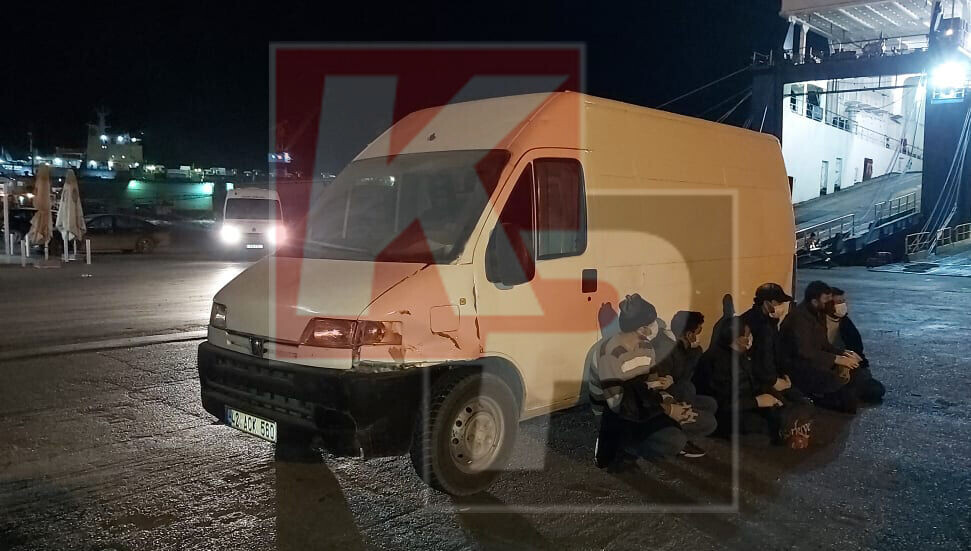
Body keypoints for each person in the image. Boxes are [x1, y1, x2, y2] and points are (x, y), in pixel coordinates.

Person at [588, 294, 691, 468]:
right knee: (675, 439)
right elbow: (618, 404)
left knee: (690, 398)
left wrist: (667, 398)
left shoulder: (645, 346)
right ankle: (626, 446)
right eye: (652, 323)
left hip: (639, 402)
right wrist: (666, 410)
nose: (656, 326)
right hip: (615, 413)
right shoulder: (610, 353)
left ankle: (662, 431)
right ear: (642, 329)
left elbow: (650, 383)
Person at [705, 317, 813, 448]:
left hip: (748, 400)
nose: (750, 337)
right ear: (738, 340)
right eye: (747, 335)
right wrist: (757, 401)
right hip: (731, 411)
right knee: (761, 426)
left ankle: (788, 424)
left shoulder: (741, 354)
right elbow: (723, 403)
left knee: (790, 402)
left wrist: (773, 395)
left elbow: (754, 381)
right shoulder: (718, 363)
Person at [780, 281, 865, 413]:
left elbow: (824, 344)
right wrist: (836, 359)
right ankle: (817, 396)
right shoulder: (799, 318)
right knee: (846, 401)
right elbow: (805, 352)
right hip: (800, 367)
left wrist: (844, 353)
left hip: (816, 361)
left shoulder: (818, 314)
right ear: (814, 301)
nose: (830, 303)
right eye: (826, 300)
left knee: (854, 371)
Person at [654, 310, 718, 458]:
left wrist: (694, 352)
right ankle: (678, 434)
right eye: (698, 331)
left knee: (710, 404)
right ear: (689, 334)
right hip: (667, 400)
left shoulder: (685, 349)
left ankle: (686, 424)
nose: (699, 335)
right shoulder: (666, 349)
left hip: (679, 393)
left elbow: (685, 376)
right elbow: (670, 383)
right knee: (687, 389)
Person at [740, 283, 811, 407]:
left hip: (771, 376)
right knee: (790, 405)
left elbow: (774, 353)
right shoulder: (756, 323)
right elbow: (759, 357)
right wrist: (774, 381)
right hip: (760, 380)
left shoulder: (769, 321)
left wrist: (782, 375)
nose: (781, 306)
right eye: (779, 302)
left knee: (800, 399)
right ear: (767, 303)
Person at [826, 287, 886, 403]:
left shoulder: (845, 322)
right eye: (838, 302)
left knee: (876, 390)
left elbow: (857, 347)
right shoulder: (818, 322)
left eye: (843, 301)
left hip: (849, 363)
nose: (842, 305)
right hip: (830, 363)